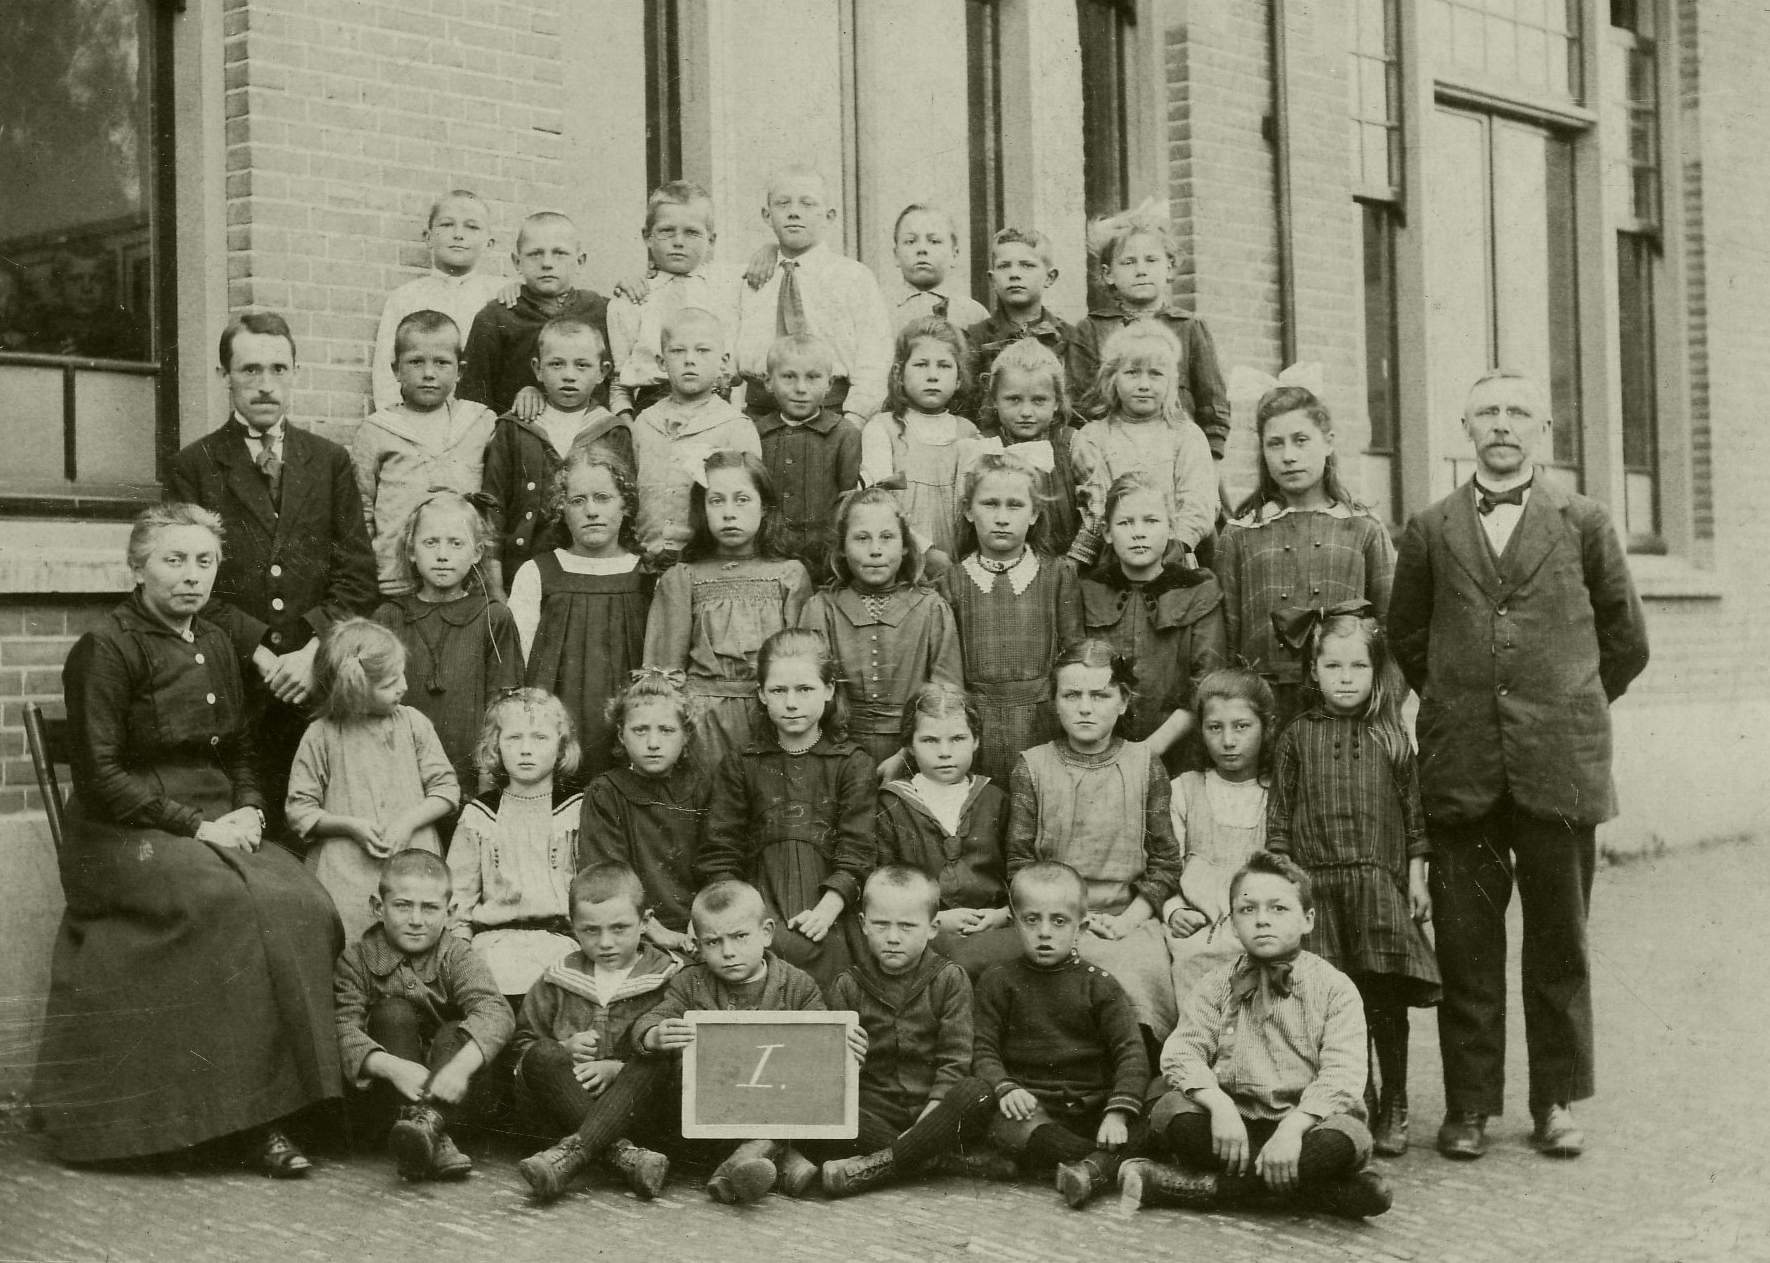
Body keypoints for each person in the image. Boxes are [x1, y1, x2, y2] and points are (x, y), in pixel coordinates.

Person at [1388, 368, 1649, 1162]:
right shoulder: (1429, 528)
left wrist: (1568, 701)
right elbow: (1407, 635)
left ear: (1544, 430)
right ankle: (1468, 1104)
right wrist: (1462, 703)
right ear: (1465, 428)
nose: (1502, 423)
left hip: (1559, 764)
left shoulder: (1586, 521)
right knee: (1467, 944)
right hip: (1462, 764)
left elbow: (1627, 639)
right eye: (1488, 412)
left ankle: (1555, 1099)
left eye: (1518, 412)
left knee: (1559, 940)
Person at [36, 504, 342, 1175]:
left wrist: (252, 807)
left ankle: (288, 1107)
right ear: (137, 566)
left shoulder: (218, 642)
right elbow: (100, 775)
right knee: (221, 904)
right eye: (173, 560)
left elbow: (240, 751)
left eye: (204, 561)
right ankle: (233, 1122)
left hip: (216, 820)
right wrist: (198, 826)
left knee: (305, 902)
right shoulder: (105, 648)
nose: (191, 575)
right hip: (122, 833)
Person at [167, 311, 379, 835]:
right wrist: (260, 654)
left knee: (319, 823)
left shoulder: (328, 461)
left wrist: (313, 655)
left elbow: (357, 576)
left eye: (279, 369)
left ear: (296, 373)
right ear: (225, 375)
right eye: (250, 370)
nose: (266, 385)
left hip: (317, 687)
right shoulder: (194, 466)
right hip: (234, 684)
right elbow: (186, 585)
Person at [1123, 852, 1391, 1220]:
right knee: (1171, 1112)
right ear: (1233, 924)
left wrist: (1294, 1128)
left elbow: (1343, 1075)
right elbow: (1182, 1052)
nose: (1262, 919)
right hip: (1233, 1127)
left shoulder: (1335, 988)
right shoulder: (1216, 984)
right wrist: (1219, 1106)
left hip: (1306, 1127)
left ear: (1308, 919)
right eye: (1247, 910)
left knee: (1345, 1137)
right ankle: (1326, 1194)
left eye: (1279, 908)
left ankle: (1203, 1188)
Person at [1267, 606, 1440, 1156]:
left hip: (1378, 888)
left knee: (1384, 998)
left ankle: (1397, 1102)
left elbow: (1415, 818)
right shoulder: (1297, 737)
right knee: (1338, 1005)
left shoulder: (1391, 735)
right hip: (1319, 890)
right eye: (1333, 666)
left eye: (1358, 666)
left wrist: (1417, 878)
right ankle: (1356, 1097)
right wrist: (1286, 889)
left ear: (1376, 671)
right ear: (1313, 671)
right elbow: (1279, 821)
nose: (1346, 678)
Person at [631, 880, 859, 1204]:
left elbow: (823, 1043)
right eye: (713, 942)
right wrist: (654, 1034)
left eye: (740, 936)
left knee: (810, 1090)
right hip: (715, 1110)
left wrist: (847, 1048)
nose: (728, 952)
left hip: (777, 1102)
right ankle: (780, 1161)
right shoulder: (690, 983)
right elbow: (651, 1019)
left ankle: (743, 1165)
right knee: (683, 1096)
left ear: (766, 933)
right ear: (698, 944)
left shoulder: (797, 985)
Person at [1006, 639, 1185, 1044]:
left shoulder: (1145, 764)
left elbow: (1165, 863)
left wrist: (1127, 922)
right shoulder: (1032, 767)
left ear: (1123, 702)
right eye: (1071, 695)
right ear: (1054, 702)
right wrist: (1060, 919)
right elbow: (1019, 864)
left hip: (1127, 920)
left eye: (1100, 695)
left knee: (1140, 979)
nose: (1085, 708)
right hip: (1053, 920)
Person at [697, 628, 876, 992]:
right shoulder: (742, 763)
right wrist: (743, 916)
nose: (791, 703)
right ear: (762, 694)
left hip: (828, 909)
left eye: (805, 689)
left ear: (829, 690)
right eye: (779, 691)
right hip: (756, 907)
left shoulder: (852, 763)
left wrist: (828, 909)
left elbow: (858, 849)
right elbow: (720, 849)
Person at [967, 861, 1151, 1209]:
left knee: (1153, 1105)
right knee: (1005, 1122)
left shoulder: (1100, 985)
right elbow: (983, 1047)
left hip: (1091, 1108)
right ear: (1014, 922)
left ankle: (1087, 1168)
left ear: (1082, 926)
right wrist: (1005, 1087)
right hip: (1031, 1107)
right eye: (1031, 920)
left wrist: (1116, 1113)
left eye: (1059, 921)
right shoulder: (998, 981)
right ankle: (1099, 1164)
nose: (1044, 932)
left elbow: (1131, 1053)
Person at [812, 866, 998, 1197]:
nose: (893, 937)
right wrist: (849, 1057)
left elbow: (955, 1058)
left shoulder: (950, 979)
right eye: (881, 924)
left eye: (907, 926)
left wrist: (929, 1122)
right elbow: (837, 1074)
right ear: (863, 924)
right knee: (826, 1109)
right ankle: (933, 1160)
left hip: (937, 1110)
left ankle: (883, 1163)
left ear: (932, 928)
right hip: (876, 1110)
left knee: (977, 1092)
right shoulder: (847, 986)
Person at [1218, 385, 1395, 729]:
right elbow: (1225, 637)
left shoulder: (1363, 528)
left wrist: (1378, 712)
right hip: (1261, 713)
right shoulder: (1240, 534)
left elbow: (1391, 633)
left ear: (1328, 442)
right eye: (1275, 444)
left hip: (1348, 714)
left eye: (1301, 440)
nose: (1288, 456)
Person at [510, 861, 688, 1201]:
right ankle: (622, 1156)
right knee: (541, 1053)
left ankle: (579, 1153)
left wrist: (619, 1070)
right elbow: (521, 1047)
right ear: (572, 927)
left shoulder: (671, 977)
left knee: (656, 1055)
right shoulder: (557, 979)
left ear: (645, 921)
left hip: (640, 1117)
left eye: (619, 928)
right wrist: (563, 1048)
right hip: (562, 1113)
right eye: (591, 930)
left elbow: (682, 1055)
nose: (606, 942)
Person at [333, 850, 514, 1181]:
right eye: (403, 906)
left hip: (455, 1096)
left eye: (429, 908)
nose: (416, 919)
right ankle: (432, 1139)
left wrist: (459, 1068)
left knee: (455, 1030)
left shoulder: (456, 955)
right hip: (390, 1100)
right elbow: (342, 1027)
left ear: (450, 912)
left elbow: (495, 1011)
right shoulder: (356, 960)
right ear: (378, 907)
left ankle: (428, 1130)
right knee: (392, 1013)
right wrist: (393, 1067)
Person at [285, 618, 460, 942]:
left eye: (402, 675)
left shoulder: (413, 724)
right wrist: (350, 826)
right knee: (351, 953)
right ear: (355, 689)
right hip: (345, 876)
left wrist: (408, 822)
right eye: (390, 683)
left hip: (413, 867)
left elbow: (447, 789)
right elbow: (299, 810)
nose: (403, 686)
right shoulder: (321, 735)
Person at [642, 450, 813, 772]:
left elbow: (804, 667)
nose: (729, 513)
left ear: (764, 507)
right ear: (702, 510)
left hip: (772, 718)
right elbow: (663, 676)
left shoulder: (789, 575)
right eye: (716, 501)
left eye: (742, 500)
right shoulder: (683, 577)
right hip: (701, 725)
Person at [935, 450, 1083, 783]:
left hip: (1043, 725)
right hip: (976, 728)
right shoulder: (952, 581)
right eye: (990, 504)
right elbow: (947, 672)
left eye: (1015, 505)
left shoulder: (1057, 575)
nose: (1002, 518)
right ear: (968, 511)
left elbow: (1073, 659)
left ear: (1034, 514)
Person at [509, 444, 651, 784]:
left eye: (603, 498)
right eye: (577, 500)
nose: (591, 511)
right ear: (562, 509)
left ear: (625, 504)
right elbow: (517, 662)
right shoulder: (537, 573)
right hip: (555, 729)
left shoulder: (647, 576)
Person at [373, 491, 523, 806]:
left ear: (477, 552)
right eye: (431, 543)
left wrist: (487, 787)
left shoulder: (493, 617)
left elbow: (502, 708)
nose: (443, 555)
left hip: (470, 777)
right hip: (399, 775)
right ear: (411, 550)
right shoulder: (389, 616)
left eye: (456, 543)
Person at [797, 487, 962, 768]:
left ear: (906, 545)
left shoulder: (931, 608)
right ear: (842, 547)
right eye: (861, 538)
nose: (875, 550)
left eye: (887, 537)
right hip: (836, 752)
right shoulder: (821, 608)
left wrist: (906, 754)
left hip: (916, 752)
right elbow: (807, 690)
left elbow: (947, 695)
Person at [1080, 471, 1225, 771]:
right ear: (1107, 532)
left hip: (1178, 755)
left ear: (1171, 527)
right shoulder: (1087, 590)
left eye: (1151, 521)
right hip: (1098, 750)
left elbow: (1206, 681)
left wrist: (1152, 748)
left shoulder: (1198, 590)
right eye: (1125, 523)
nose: (1138, 533)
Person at [447, 688, 585, 1000]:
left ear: (561, 747)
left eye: (540, 738)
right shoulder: (481, 814)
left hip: (560, 945)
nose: (526, 750)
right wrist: (462, 955)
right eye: (513, 738)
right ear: (495, 746)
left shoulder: (575, 810)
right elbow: (459, 898)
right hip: (493, 946)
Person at [875, 683, 1019, 980]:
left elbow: (1017, 867)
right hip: (922, 931)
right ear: (909, 745)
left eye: (957, 739)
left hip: (994, 926)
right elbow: (885, 883)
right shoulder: (893, 804)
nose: (944, 752)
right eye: (929, 740)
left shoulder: (995, 799)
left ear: (975, 741)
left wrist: (1002, 915)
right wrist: (935, 919)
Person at [1066, 203, 1230, 463]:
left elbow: (1213, 405)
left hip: (1180, 458)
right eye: (1128, 262)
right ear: (1108, 274)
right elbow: (1079, 408)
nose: (1141, 270)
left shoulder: (1189, 328)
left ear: (1169, 267)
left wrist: (1212, 462)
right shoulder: (1091, 330)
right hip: (1112, 457)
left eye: (1151, 260)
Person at [480, 315, 628, 599]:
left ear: (602, 372)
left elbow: (625, 508)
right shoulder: (514, 427)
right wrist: (496, 587)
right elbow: (493, 508)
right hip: (520, 574)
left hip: (592, 576)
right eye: (557, 364)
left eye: (582, 365)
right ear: (538, 369)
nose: (569, 375)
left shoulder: (612, 431)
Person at [353, 311, 500, 597]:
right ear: (396, 369)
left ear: (460, 371)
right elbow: (362, 510)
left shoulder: (479, 423)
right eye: (416, 362)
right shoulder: (376, 431)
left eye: (442, 362)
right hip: (398, 582)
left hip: (465, 582)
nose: (429, 373)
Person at [734, 164, 893, 425]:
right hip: (760, 415)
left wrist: (855, 417)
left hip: (834, 414)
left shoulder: (853, 277)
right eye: (783, 203)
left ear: (829, 216)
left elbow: (874, 355)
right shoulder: (750, 277)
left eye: (807, 204)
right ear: (767, 215)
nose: (794, 212)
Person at [1162, 669, 1276, 1006]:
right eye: (1215, 727)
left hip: (1260, 929)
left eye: (1241, 726)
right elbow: (1165, 868)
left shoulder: (1278, 795)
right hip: (1198, 932)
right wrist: (1173, 910)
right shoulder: (1184, 790)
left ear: (1266, 727)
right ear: (1201, 730)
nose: (1228, 741)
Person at [579, 670, 710, 955]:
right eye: (640, 730)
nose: (653, 743)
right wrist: (655, 931)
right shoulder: (606, 793)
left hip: (701, 928)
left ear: (685, 735)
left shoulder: (703, 789)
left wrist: (704, 920)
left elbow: (717, 861)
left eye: (667, 730)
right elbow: (607, 876)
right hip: (633, 930)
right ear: (621, 735)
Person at [1067, 321, 1216, 570]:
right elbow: (1097, 507)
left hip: (1173, 561)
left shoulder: (1186, 435)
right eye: (1132, 373)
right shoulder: (1093, 436)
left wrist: (1171, 550)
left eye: (1156, 373)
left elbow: (1198, 507)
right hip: (1112, 563)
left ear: (1171, 381)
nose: (1144, 384)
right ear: (1113, 378)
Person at [630, 307, 764, 562]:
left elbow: (746, 503)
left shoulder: (736, 427)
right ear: (661, 362)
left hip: (706, 563)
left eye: (702, 350)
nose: (689, 360)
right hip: (647, 560)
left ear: (723, 361)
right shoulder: (645, 423)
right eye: (678, 351)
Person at [606, 180, 743, 418]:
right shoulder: (631, 299)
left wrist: (768, 251)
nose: (678, 241)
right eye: (667, 231)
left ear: (711, 240)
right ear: (647, 236)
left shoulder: (728, 288)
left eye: (692, 232)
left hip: (716, 408)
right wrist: (628, 426)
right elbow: (619, 383)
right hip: (653, 410)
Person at [457, 210, 608, 415]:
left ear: (580, 261)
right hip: (517, 430)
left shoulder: (600, 309)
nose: (547, 263)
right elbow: (473, 400)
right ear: (517, 262)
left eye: (560, 253)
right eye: (535, 254)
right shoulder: (495, 317)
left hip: (590, 429)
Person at [370, 190, 507, 412]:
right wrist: (396, 423)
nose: (458, 235)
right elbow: (386, 372)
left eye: (472, 227)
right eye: (447, 225)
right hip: (418, 419)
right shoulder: (405, 297)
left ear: (489, 243)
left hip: (485, 421)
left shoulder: (500, 296)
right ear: (428, 237)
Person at [859, 316, 980, 560]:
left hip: (960, 559)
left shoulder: (968, 433)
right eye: (921, 364)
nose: (932, 375)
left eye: (944, 366)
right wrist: (925, 551)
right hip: (902, 555)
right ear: (899, 373)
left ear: (959, 378)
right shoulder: (883, 428)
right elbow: (878, 506)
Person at [755, 333, 863, 582]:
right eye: (788, 377)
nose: (801, 388)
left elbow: (849, 502)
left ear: (829, 383)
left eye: (813, 377)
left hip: (827, 560)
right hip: (770, 557)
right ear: (768, 381)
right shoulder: (757, 433)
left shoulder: (844, 434)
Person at [975, 338, 1081, 555]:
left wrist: (1076, 558)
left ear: (1057, 402)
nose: (1026, 412)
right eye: (1014, 399)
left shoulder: (1071, 443)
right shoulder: (984, 446)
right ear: (994, 399)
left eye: (1039, 400)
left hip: (1067, 561)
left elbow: (1096, 505)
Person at [963, 226, 1075, 400]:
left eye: (1027, 265)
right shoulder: (976, 337)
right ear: (993, 280)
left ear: (1049, 277)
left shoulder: (1070, 337)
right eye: (1004, 266)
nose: (1014, 274)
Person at [884, 203, 990, 332]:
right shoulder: (880, 308)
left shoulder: (974, 313)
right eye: (910, 241)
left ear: (954, 254)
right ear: (896, 255)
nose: (922, 249)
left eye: (934, 241)